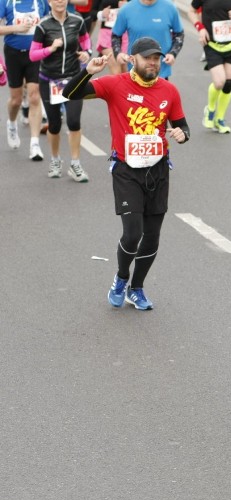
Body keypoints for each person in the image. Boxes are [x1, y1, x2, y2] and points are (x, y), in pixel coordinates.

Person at [63, 37, 189, 309]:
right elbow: (69, 94)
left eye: (156, 58)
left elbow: (183, 127)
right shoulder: (114, 84)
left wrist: (181, 134)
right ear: (133, 60)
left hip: (157, 170)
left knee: (153, 235)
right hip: (126, 168)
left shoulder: (169, 91)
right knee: (133, 233)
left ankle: (137, 288)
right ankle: (121, 278)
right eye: (147, 58)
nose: (153, 63)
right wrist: (88, 71)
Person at [30, 0, 91, 181]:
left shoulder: (77, 21)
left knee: (73, 121)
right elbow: (33, 55)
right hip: (49, 81)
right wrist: (51, 48)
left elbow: (86, 43)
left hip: (73, 79)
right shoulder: (43, 26)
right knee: (55, 125)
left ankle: (75, 163)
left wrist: (86, 53)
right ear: (49, 2)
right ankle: (55, 160)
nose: (59, 1)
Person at [188, 0, 231, 134]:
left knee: (228, 84)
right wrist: (200, 28)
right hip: (212, 45)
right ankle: (210, 109)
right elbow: (191, 11)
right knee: (219, 82)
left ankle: (220, 119)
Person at [0, 0, 49, 160]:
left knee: (34, 96)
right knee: (16, 100)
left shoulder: (40, 2)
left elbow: (48, 22)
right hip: (13, 53)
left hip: (35, 53)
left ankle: (34, 144)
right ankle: (12, 123)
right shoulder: (5, 2)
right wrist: (16, 28)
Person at [111, 0, 183, 81]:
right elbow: (116, 35)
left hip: (160, 73)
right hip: (135, 71)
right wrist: (118, 54)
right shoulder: (126, 9)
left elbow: (179, 34)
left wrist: (173, 53)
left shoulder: (170, 7)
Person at [92, 0, 128, 75]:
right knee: (116, 71)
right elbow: (92, 13)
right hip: (107, 34)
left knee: (126, 72)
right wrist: (102, 14)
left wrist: (129, 6)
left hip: (126, 35)